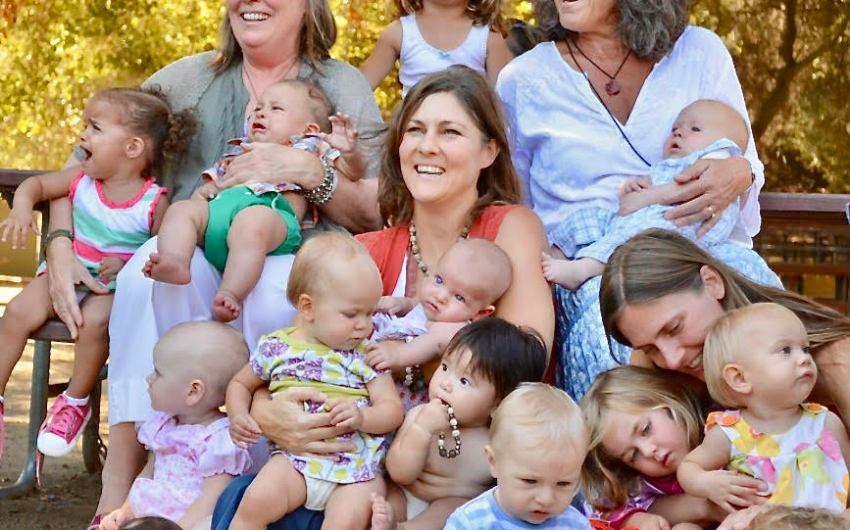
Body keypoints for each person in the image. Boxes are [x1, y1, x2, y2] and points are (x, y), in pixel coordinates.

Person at [38, 2, 385, 526]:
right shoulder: (187, 80)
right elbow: (82, 167)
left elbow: (375, 210)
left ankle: (255, 491)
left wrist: (310, 171)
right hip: (199, 242)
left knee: (279, 290)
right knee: (146, 272)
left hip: (291, 249)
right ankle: (125, 490)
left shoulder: (342, 86)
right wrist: (60, 244)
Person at [211, 66, 553, 530]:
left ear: (488, 150)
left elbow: (525, 357)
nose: (427, 146)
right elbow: (296, 352)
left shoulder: (508, 229)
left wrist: (413, 353)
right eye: (415, 130)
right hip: (359, 472)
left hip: (462, 478)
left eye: (449, 132)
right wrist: (268, 414)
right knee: (245, 500)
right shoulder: (368, 253)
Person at [496, 0, 773, 400]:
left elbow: (744, 164)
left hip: (693, 245)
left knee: (763, 299)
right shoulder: (522, 79)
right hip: (585, 269)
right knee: (609, 314)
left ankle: (770, 430)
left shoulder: (700, 52)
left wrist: (740, 172)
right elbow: (513, 203)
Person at [0, 87, 192, 461]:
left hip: (110, 287)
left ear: (132, 148)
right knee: (17, 312)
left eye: (95, 128)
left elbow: (157, 248)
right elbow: (36, 185)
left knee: (96, 324)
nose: (82, 135)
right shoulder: (79, 180)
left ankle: (74, 402)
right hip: (64, 272)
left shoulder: (154, 202)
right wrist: (22, 206)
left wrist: (126, 264)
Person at [144, 79, 363, 323]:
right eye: (258, 107)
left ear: (308, 129)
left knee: (251, 222)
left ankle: (230, 294)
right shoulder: (240, 150)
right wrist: (204, 194)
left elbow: (351, 173)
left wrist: (350, 153)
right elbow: (216, 183)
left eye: (275, 108)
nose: (261, 113)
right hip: (221, 216)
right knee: (182, 209)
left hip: (270, 216)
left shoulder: (308, 147)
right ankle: (176, 260)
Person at [225, 233, 404, 529]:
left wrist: (363, 418)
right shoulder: (276, 347)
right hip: (295, 461)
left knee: (346, 522)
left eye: (370, 313)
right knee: (254, 502)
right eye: (352, 314)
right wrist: (238, 415)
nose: (364, 325)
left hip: (355, 470)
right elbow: (240, 384)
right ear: (308, 307)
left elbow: (392, 410)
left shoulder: (367, 354)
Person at [599, 229, 850, 433]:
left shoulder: (835, 362)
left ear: (712, 283)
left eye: (674, 328)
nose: (672, 359)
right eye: (650, 349)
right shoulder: (659, 371)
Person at [542, 100, 754, 290]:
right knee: (588, 217)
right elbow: (638, 201)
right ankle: (556, 253)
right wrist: (636, 188)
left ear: (724, 143)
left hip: (680, 233)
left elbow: (692, 190)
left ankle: (585, 269)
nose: (678, 133)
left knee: (634, 237)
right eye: (675, 129)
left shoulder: (719, 157)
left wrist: (646, 197)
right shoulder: (669, 167)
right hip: (637, 221)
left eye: (695, 129)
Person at [370, 318, 549, 530]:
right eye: (445, 367)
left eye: (464, 381)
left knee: (453, 507)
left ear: (498, 404)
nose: (445, 383)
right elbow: (399, 472)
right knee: (385, 495)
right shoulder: (422, 416)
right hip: (405, 492)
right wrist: (421, 430)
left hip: (446, 513)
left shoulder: (497, 442)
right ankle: (390, 523)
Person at [678, 303, 850, 514]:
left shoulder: (825, 422)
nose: (805, 358)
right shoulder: (730, 434)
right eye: (785, 350)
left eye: (805, 349)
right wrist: (707, 483)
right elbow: (689, 467)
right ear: (739, 378)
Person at [100, 322, 251, 530]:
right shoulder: (164, 424)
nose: (149, 379)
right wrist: (126, 511)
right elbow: (148, 474)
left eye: (158, 373)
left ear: (193, 391)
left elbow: (211, 500)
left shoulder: (218, 442)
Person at [580, 365, 739, 530]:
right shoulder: (646, 486)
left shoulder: (724, 428)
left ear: (667, 400)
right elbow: (602, 510)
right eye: (633, 455)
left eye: (646, 430)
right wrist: (637, 519)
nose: (648, 451)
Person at [367, 237, 512, 409]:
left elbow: (431, 344)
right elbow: (417, 306)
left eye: (459, 297)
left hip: (401, 395)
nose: (440, 296)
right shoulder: (434, 307)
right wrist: (400, 304)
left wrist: (396, 355)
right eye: (439, 280)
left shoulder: (456, 329)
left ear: (481, 313)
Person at [445, 382, 591, 529]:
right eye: (530, 481)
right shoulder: (470, 523)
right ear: (493, 462)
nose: (546, 499)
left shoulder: (575, 525)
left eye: (563, 484)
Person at [358, 0, 510, 95]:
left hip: (467, 133)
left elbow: (502, 105)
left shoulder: (488, 38)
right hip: (415, 131)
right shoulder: (399, 33)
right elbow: (357, 89)